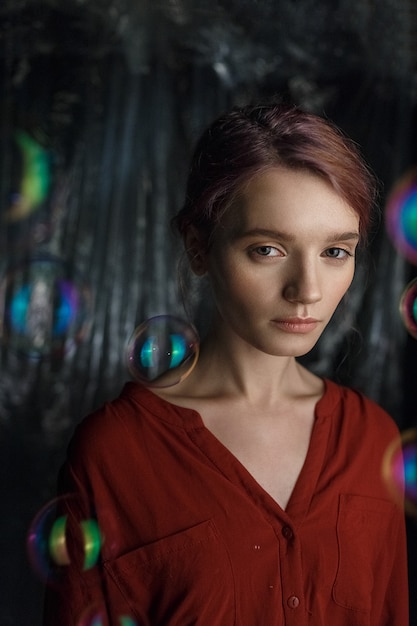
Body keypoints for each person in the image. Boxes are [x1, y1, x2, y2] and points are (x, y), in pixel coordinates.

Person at [43, 101, 408, 626]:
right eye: (267, 249)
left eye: (335, 252)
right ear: (198, 248)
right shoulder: (115, 453)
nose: (306, 290)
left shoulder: (373, 440)